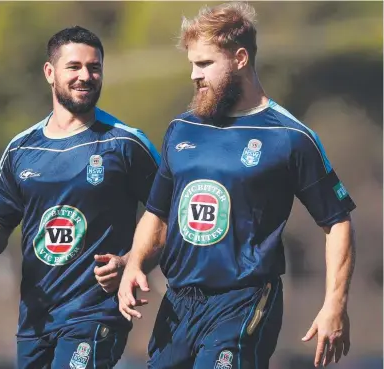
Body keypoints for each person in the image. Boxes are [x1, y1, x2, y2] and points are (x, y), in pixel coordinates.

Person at [118, 3, 356, 369]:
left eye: (205, 64)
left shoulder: (290, 136)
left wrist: (334, 304)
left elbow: (337, 221)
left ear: (241, 58)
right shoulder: (182, 129)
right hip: (179, 305)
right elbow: (157, 212)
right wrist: (135, 263)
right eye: (192, 65)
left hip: (244, 301)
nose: (195, 75)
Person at [0, 26, 159, 369]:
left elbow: (170, 215)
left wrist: (132, 261)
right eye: (75, 67)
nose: (86, 76)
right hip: (35, 321)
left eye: (94, 67)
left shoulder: (126, 144)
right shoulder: (21, 149)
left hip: (95, 313)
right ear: (50, 72)